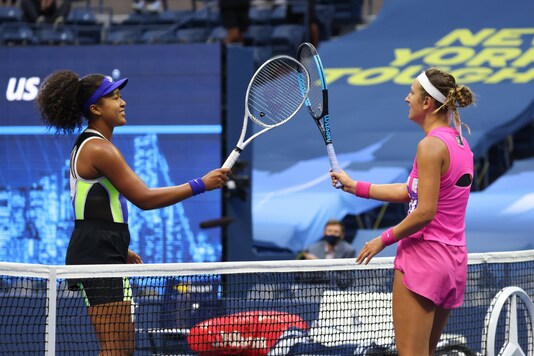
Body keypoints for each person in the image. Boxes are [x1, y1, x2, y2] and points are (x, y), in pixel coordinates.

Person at [35, 70, 230, 355]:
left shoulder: (93, 145)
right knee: (115, 349)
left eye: (120, 96)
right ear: (95, 109)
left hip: (105, 250)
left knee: (123, 349)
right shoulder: (99, 149)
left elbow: (93, 207)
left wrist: (120, 247)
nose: (122, 102)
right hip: (98, 256)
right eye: (114, 98)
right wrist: (201, 184)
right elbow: (144, 198)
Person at [330, 67, 476, 355]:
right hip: (453, 261)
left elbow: (424, 213)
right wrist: (354, 186)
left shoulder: (430, 147)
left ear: (427, 103)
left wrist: (381, 240)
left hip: (423, 258)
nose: (405, 98)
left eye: (411, 93)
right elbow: (413, 190)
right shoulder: (459, 143)